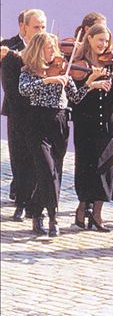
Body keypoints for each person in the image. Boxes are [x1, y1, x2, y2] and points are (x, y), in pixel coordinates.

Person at [18, 32, 95, 236]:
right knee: (46, 168)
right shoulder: (28, 71)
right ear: (38, 49)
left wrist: (90, 83)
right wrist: (47, 81)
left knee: (54, 172)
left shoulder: (62, 69)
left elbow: (75, 98)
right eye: (49, 47)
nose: (54, 51)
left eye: (54, 47)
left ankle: (36, 212)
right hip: (37, 122)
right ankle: (53, 216)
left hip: (59, 122)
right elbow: (23, 90)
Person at [72, 23, 113, 231]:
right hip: (85, 124)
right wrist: (91, 82)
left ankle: (97, 214)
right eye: (100, 40)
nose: (104, 44)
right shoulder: (78, 65)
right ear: (89, 39)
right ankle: (82, 207)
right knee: (85, 167)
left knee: (105, 169)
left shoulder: (112, 64)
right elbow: (73, 98)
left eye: (106, 41)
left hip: (107, 124)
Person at [1, 9, 47, 220]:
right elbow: (9, 86)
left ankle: (33, 205)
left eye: (43, 27)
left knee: (38, 159)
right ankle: (20, 202)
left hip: (40, 112)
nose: (41, 31)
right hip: (18, 112)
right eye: (36, 27)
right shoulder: (10, 49)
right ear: (23, 27)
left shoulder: (47, 47)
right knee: (19, 158)